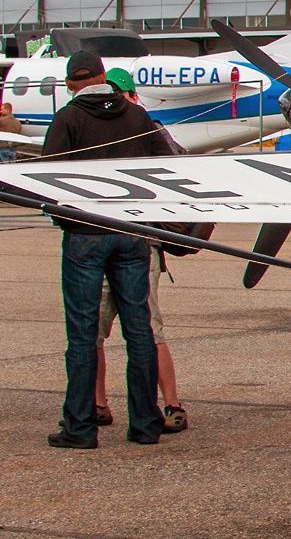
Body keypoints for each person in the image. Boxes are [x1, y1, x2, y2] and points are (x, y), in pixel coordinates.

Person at [42, 51, 173, 449]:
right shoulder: (136, 116)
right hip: (133, 231)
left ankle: (80, 428)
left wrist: (66, 221)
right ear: (104, 76)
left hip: (85, 234)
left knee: (83, 334)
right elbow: (166, 166)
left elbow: (46, 179)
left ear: (69, 84)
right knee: (140, 330)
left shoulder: (67, 118)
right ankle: (146, 425)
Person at [92, 68, 188, 431]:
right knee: (110, 330)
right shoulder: (142, 125)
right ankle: (101, 403)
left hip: (133, 240)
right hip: (127, 241)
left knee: (143, 329)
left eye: (117, 93)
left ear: (129, 95)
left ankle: (171, 403)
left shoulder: (148, 126)